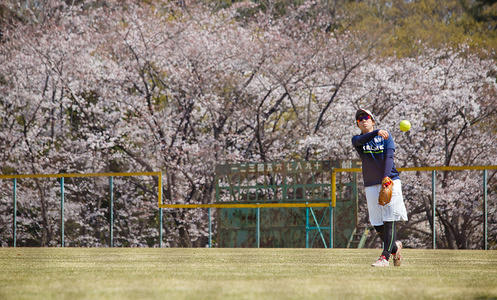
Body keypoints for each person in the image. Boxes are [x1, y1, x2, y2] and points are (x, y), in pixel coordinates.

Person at [351, 108, 408, 267]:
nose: (363, 120)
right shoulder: (358, 140)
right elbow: (359, 141)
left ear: (373, 120)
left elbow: (389, 157)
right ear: (358, 124)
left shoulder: (386, 137)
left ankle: (384, 257)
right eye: (360, 118)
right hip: (370, 184)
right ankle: (395, 248)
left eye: (366, 117)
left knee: (389, 219)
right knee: (376, 222)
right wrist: (376, 132)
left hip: (390, 181)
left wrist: (385, 177)